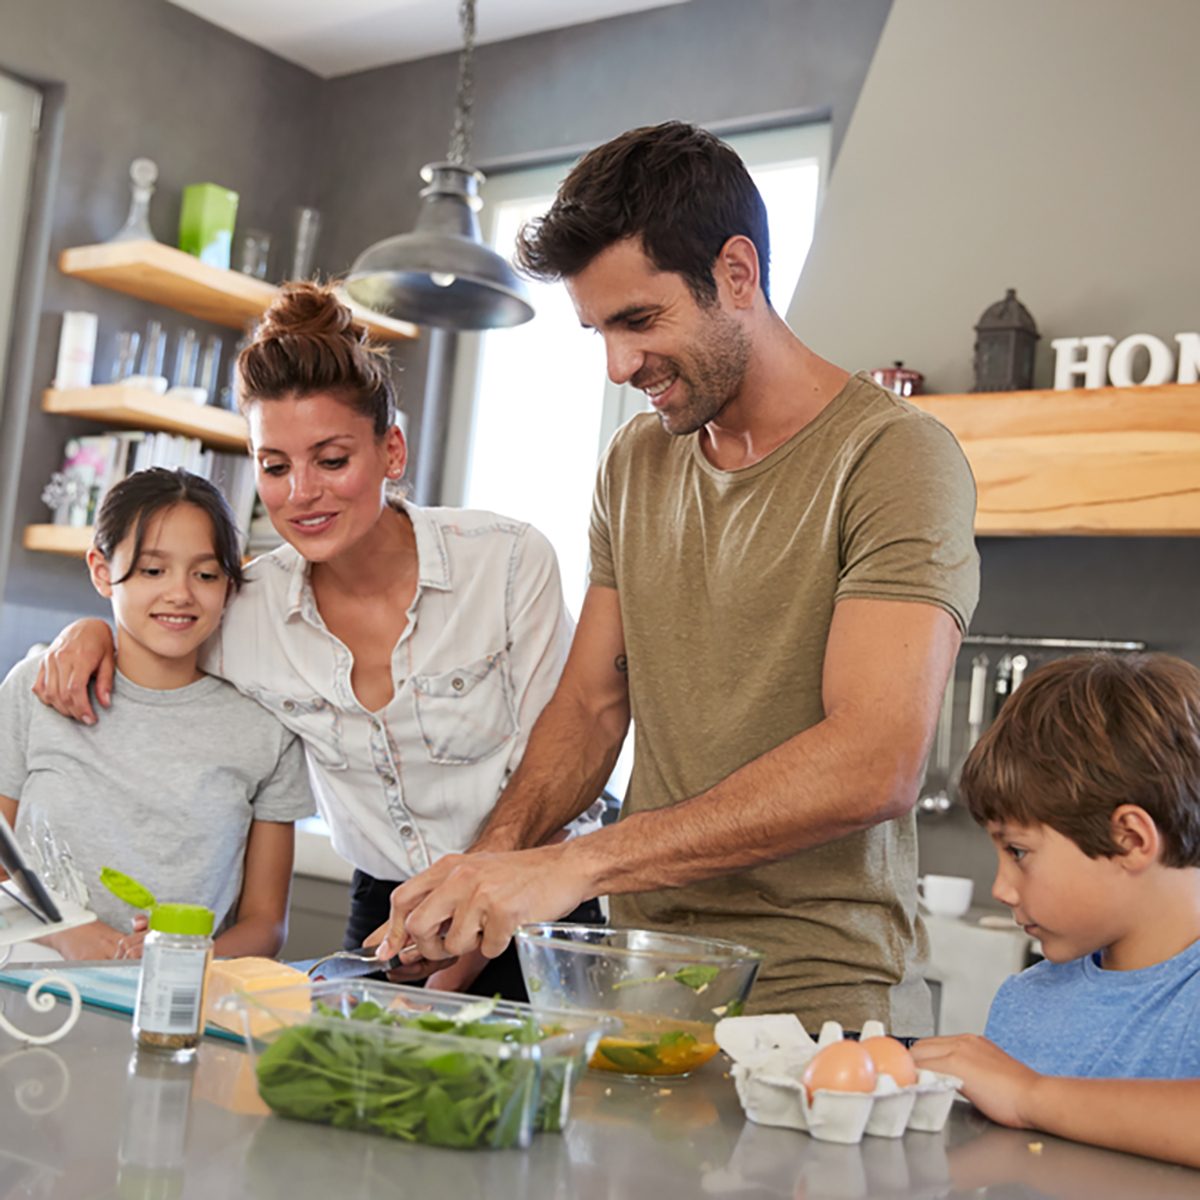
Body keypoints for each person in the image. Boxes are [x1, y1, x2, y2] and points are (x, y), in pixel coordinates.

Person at [375, 121, 980, 1035]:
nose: (619, 366)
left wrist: (576, 866)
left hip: (816, 1001)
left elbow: (877, 760)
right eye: (598, 331)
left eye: (639, 320)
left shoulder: (894, 457)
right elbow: (590, 707)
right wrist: (488, 873)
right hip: (645, 981)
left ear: (737, 274)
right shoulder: (636, 462)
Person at [33, 283, 600, 997]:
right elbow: (157, 629)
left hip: (538, 908)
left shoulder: (508, 562)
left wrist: (457, 963)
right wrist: (86, 632)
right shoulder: (248, 608)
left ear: (390, 450)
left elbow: (559, 763)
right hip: (386, 924)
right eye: (274, 466)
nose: (301, 492)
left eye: (331, 460)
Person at [0, 469, 313, 960]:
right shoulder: (39, 688)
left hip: (175, 1008)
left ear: (231, 586)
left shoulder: (267, 727)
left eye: (206, 574)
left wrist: (184, 958)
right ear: (101, 571)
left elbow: (265, 924)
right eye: (152, 570)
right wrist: (65, 931)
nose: (180, 593)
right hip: (24, 995)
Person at [911, 652, 1200, 1170]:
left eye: (1018, 852)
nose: (1001, 887)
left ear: (1130, 838)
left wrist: (1030, 1095)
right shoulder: (1026, 1001)